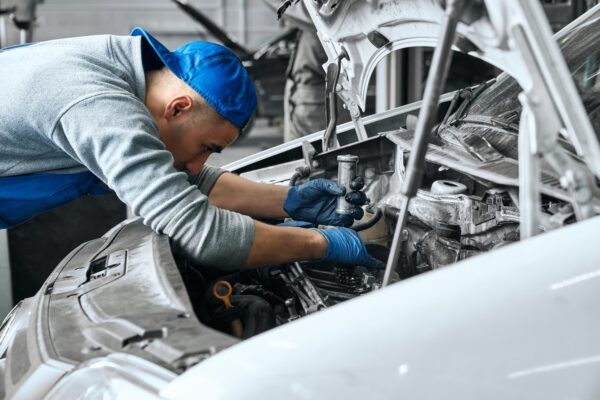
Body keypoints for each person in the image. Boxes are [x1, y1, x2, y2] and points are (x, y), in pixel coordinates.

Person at [0, 28, 381, 272]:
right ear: (178, 107)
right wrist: (321, 243)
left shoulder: (121, 70)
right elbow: (205, 235)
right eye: (206, 147)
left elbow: (185, 181)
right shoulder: (99, 105)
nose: (199, 162)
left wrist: (291, 201)